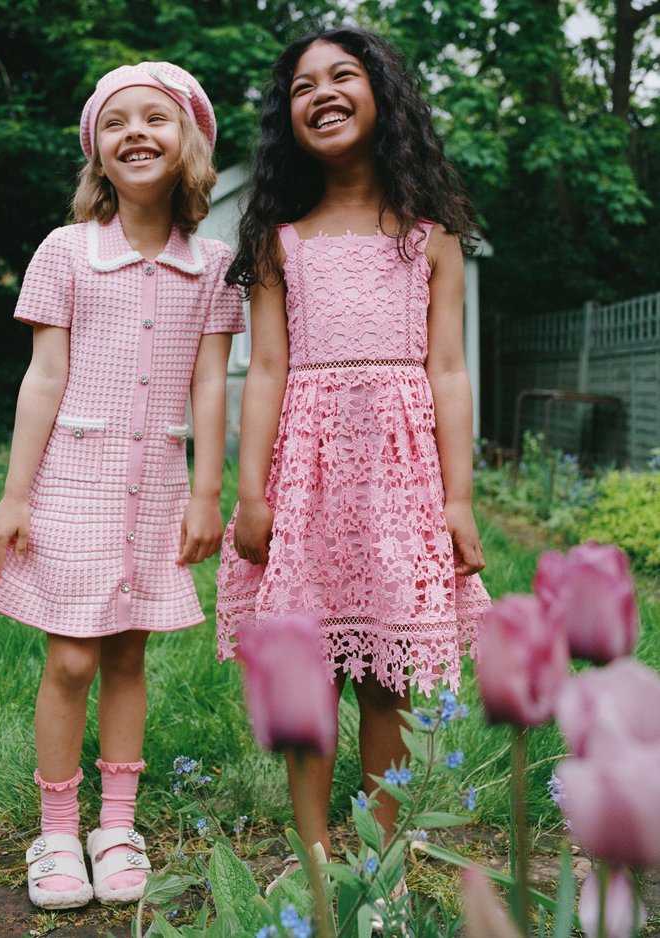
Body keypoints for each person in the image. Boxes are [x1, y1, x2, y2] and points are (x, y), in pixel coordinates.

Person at [215, 27, 491, 877]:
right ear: (286, 118)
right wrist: (251, 492)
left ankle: (382, 860)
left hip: (399, 477)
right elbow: (265, 369)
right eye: (302, 86)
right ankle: (314, 856)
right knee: (308, 669)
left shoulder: (429, 235)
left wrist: (457, 499)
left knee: (387, 676)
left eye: (342, 76)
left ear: (384, 99)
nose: (321, 93)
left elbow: (447, 368)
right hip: (308, 474)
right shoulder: (279, 240)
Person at [0, 62, 244, 910]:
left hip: (160, 483)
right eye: (116, 121)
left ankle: (115, 826)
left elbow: (209, 385)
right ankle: (57, 832)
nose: (136, 132)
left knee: (130, 651)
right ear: (98, 152)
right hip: (75, 481)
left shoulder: (216, 265)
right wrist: (16, 495)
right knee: (71, 655)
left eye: (156, 118)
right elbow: (43, 377)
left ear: (189, 144)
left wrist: (208, 492)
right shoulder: (66, 250)